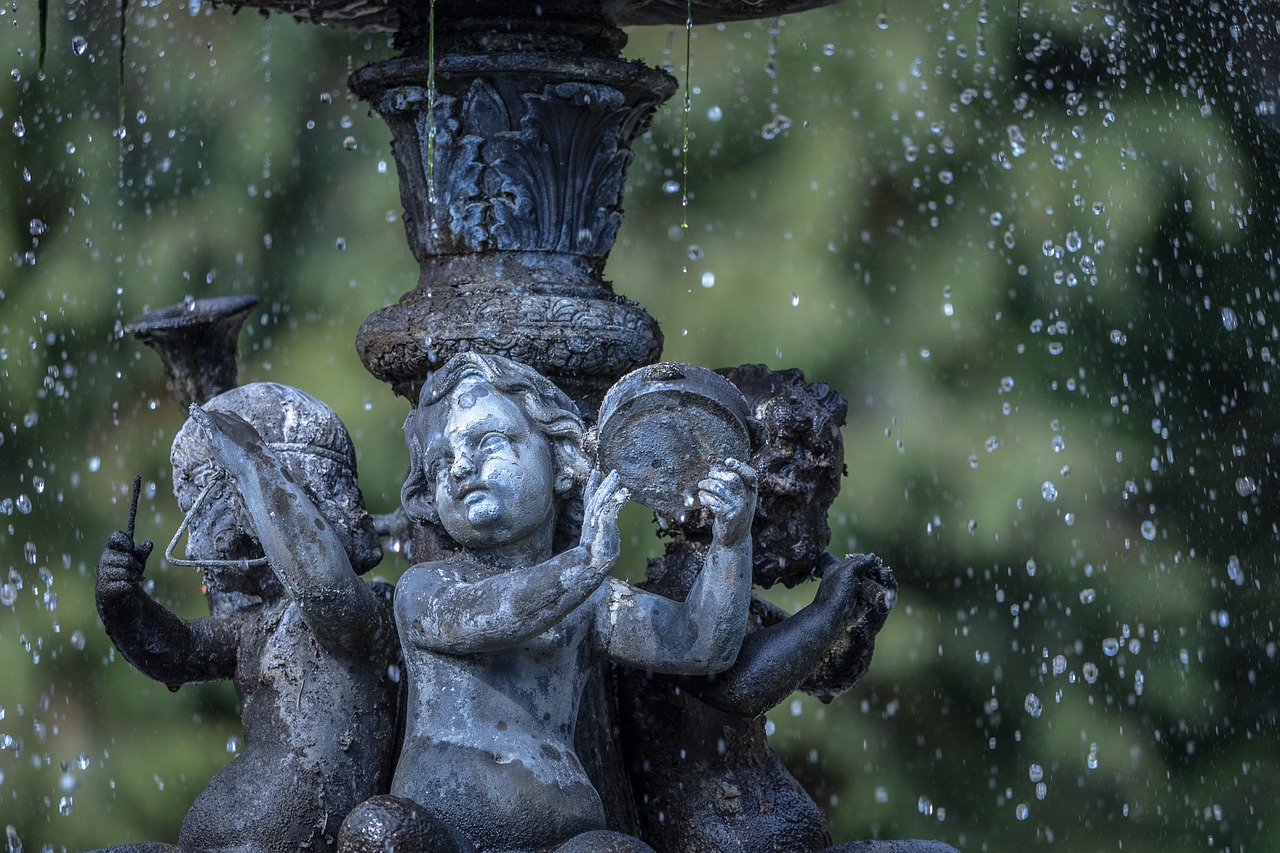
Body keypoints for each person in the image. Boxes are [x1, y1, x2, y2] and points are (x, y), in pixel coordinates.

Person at [348, 352, 755, 853]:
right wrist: (584, 563)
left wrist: (732, 544)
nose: (459, 467)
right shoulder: (427, 588)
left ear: (562, 462)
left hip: (564, 838)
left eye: (489, 442)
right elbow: (489, 617)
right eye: (438, 463)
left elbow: (700, 645)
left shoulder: (589, 601)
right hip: (439, 835)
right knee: (377, 830)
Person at [94, 382, 400, 852]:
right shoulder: (253, 626)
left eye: (204, 502)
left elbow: (322, 584)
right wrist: (121, 604)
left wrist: (251, 463)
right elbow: (176, 653)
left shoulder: (363, 613)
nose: (195, 544)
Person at [616, 365, 898, 853]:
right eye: (797, 511)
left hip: (760, 830)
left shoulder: (744, 608)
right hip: (711, 838)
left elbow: (822, 675)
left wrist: (854, 626)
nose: (818, 537)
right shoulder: (672, 604)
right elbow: (742, 686)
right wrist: (827, 611)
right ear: (727, 502)